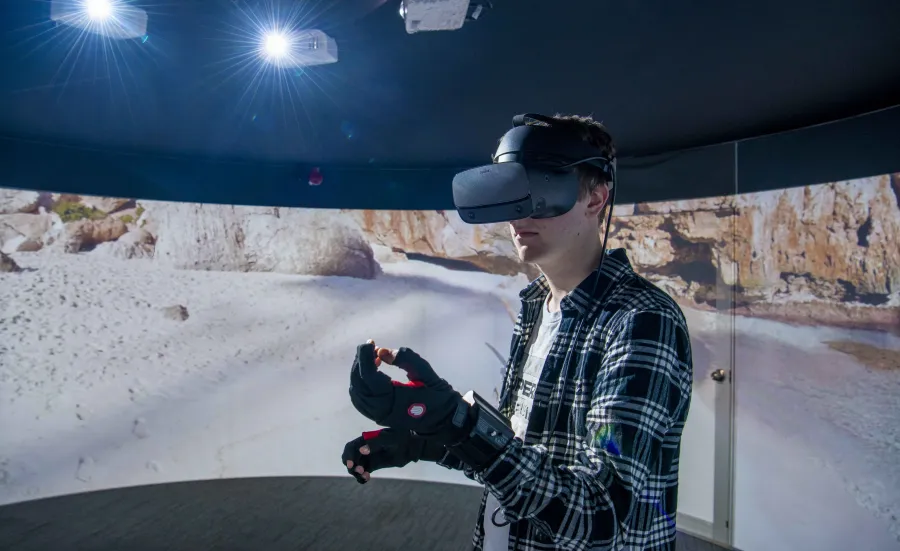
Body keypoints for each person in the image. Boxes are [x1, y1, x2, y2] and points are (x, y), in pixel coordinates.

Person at [343, 114, 694, 551]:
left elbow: (600, 514)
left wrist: (459, 422)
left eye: (542, 190)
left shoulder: (641, 321)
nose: (518, 214)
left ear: (596, 198)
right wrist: (427, 442)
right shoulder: (535, 308)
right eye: (511, 193)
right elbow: (520, 455)